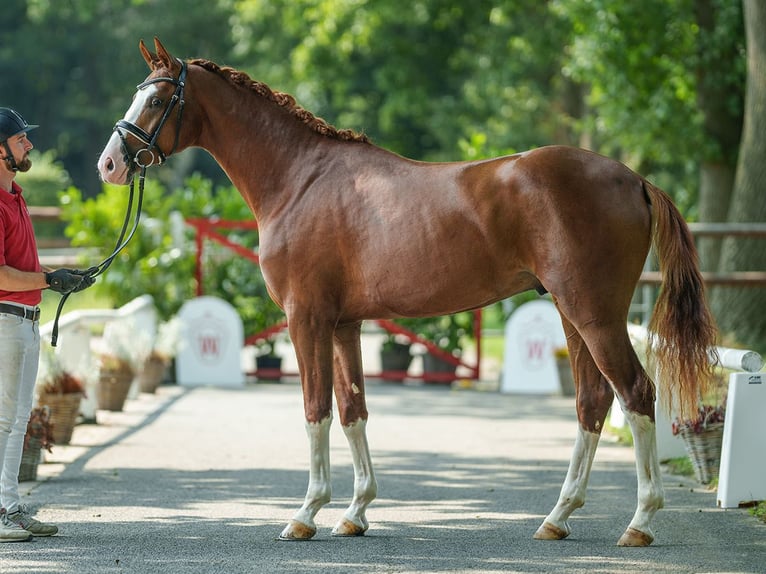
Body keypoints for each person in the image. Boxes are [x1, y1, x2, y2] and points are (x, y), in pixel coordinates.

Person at [0, 107, 93, 542]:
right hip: (6, 321)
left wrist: (60, 279)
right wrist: (48, 280)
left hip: (24, 322)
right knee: (5, 421)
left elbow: (22, 266)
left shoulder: (15, 196)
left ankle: (10, 506)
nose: (29, 144)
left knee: (17, 420)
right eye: (20, 140)